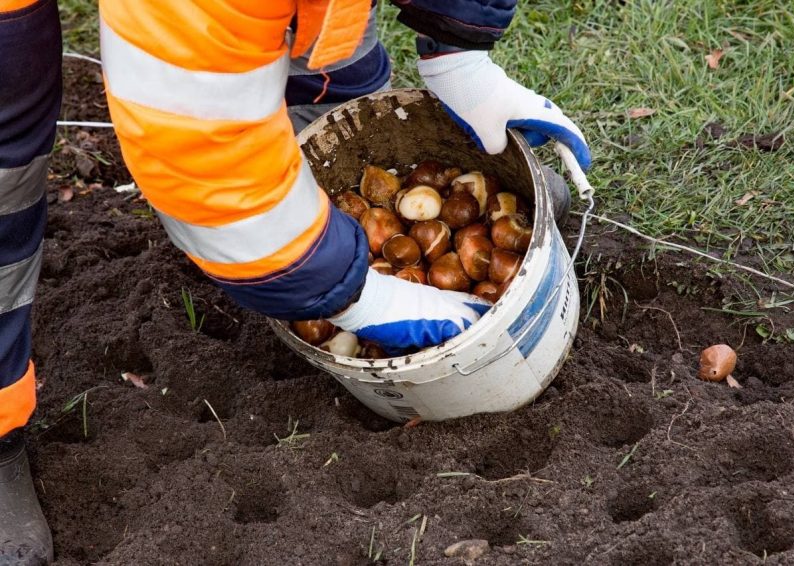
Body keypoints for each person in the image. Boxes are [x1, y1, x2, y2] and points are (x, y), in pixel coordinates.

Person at [0, 0, 590, 562]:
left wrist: (459, 47)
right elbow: (200, 156)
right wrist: (347, 290)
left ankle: (307, 197)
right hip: (180, 43)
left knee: (328, 50)